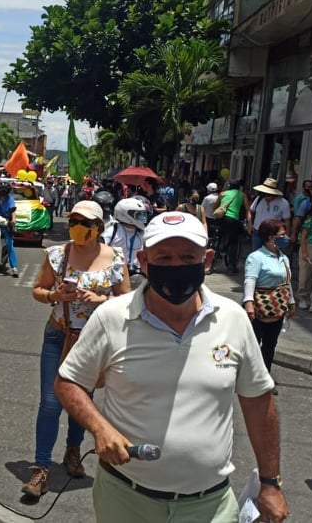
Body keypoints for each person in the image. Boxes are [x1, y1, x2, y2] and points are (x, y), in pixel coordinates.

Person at [55, 211, 289, 523]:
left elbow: (259, 403)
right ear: (144, 260)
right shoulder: (112, 317)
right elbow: (68, 381)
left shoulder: (233, 319)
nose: (176, 266)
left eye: (187, 256)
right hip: (126, 499)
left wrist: (271, 483)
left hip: (210, 506)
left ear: (206, 261)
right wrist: (100, 428)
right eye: (163, 257)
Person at [25, 200, 129, 497]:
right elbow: (38, 290)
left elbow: (127, 301)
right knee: (50, 402)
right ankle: (40, 469)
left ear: (98, 228)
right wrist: (55, 295)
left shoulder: (115, 258)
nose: (77, 228)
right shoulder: (58, 254)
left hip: (94, 341)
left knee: (82, 402)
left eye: (84, 223)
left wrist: (100, 300)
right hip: (59, 335)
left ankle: (73, 450)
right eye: (73, 221)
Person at [243, 219, 296, 391]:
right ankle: (248, 376)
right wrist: (248, 303)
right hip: (259, 307)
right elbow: (250, 280)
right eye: (282, 235)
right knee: (253, 344)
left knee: (270, 345)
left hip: (277, 308)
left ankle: (265, 377)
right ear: (271, 237)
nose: (285, 238)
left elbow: (287, 282)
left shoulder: (284, 258)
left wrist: (291, 303)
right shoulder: (256, 257)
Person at [107, 197, 147, 286]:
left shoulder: (143, 233)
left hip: (138, 276)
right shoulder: (112, 231)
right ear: (125, 214)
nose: (142, 218)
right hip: (114, 275)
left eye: (142, 214)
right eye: (137, 215)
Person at [247, 178, 292, 252]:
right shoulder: (259, 199)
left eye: (269, 194)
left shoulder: (283, 203)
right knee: (256, 253)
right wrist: (250, 224)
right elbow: (250, 211)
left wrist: (287, 235)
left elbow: (287, 221)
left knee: (272, 254)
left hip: (274, 235)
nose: (266, 196)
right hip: (257, 232)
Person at [217, 179, 249, 274]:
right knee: (233, 242)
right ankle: (232, 265)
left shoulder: (222, 194)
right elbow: (247, 209)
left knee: (220, 234)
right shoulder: (242, 195)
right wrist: (249, 222)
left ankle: (219, 247)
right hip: (234, 219)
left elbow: (216, 206)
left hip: (222, 219)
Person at [0, 181, 19, 278]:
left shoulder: (10, 200)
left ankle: (14, 268)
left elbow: (13, 211)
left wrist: (13, 220)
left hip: (6, 224)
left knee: (9, 245)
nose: (2, 191)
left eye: (4, 190)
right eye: (1, 189)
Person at [290, 180, 312, 248]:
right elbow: (297, 214)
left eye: (311, 187)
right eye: (308, 186)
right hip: (300, 224)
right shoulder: (299, 198)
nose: (309, 188)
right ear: (303, 187)